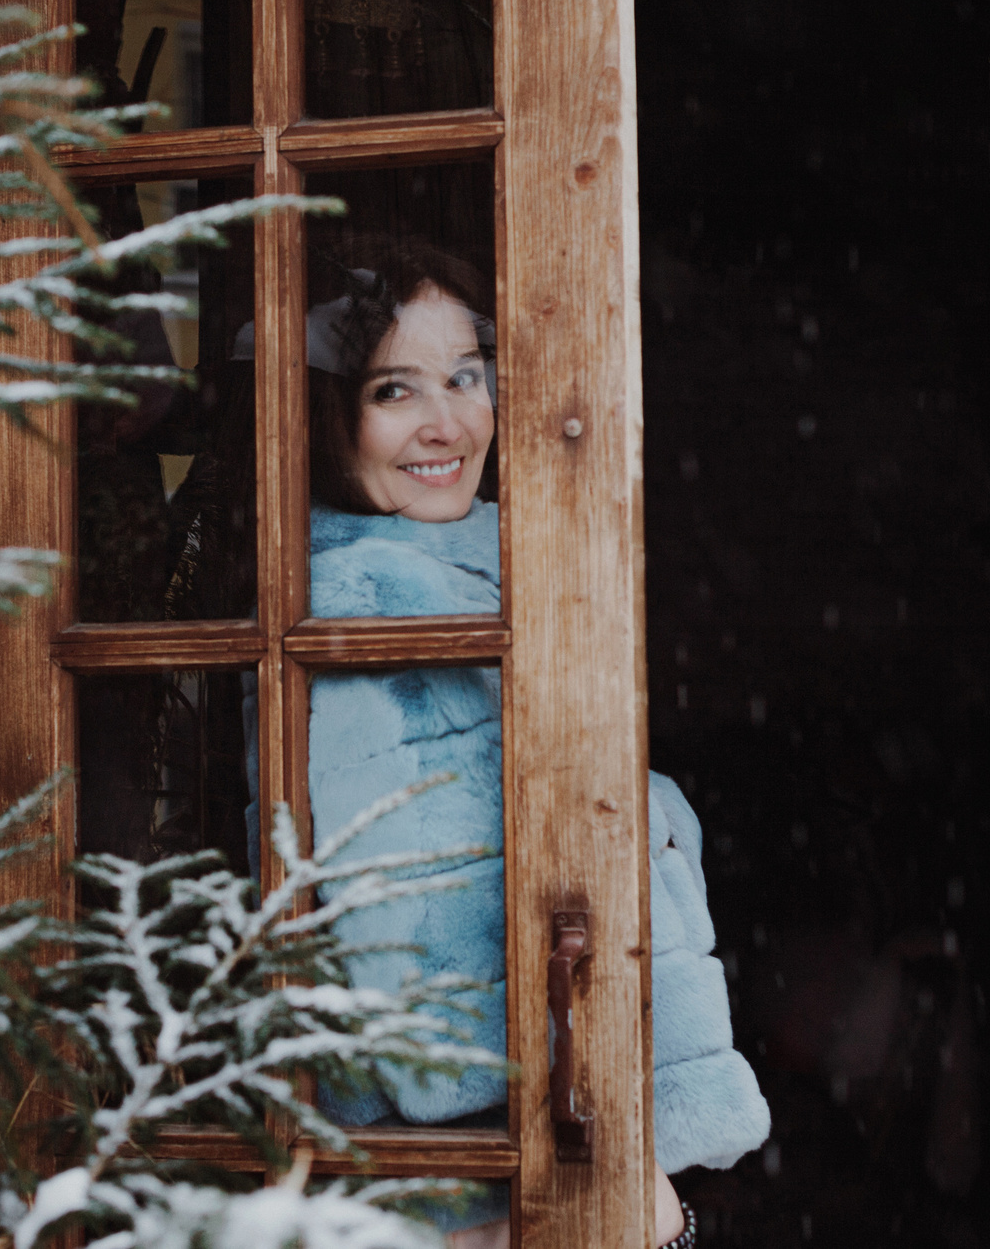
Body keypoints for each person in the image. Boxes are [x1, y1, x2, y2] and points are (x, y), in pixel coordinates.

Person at [289, 237, 772, 1249]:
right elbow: (398, 931)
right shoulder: (357, 605)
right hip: (490, 1152)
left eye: (467, 376)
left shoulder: (505, 554)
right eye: (395, 390)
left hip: (554, 1123)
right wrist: (572, 1118)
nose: (448, 422)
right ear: (335, 414)